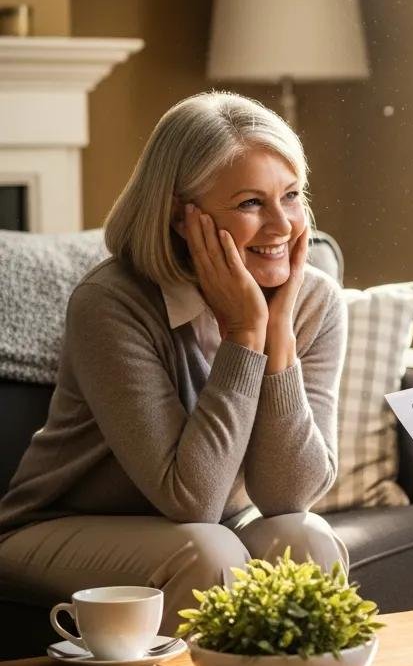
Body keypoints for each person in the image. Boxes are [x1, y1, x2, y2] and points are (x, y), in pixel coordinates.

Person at [0, 93, 348, 638]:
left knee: (307, 538)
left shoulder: (313, 300)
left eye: (291, 195)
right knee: (206, 553)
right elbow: (192, 499)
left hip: (214, 526)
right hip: (54, 526)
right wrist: (244, 333)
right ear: (183, 217)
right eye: (251, 203)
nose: (282, 224)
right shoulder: (110, 303)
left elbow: (289, 496)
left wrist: (277, 335)